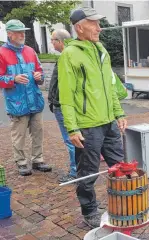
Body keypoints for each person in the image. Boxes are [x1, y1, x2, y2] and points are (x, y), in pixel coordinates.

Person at [58, 7, 127, 228]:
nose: (99, 28)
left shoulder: (102, 51)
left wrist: (119, 113)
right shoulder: (70, 54)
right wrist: (72, 128)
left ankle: (123, 203)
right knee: (87, 173)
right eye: (94, 23)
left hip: (109, 123)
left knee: (120, 167)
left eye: (99, 23)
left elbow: (110, 86)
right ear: (80, 27)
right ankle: (89, 211)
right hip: (87, 126)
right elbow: (66, 96)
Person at [0, 19, 52, 176]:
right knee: (19, 135)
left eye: (23, 31)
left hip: (35, 100)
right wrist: (12, 79)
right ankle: (21, 162)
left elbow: (40, 72)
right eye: (18, 32)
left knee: (38, 132)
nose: (23, 34)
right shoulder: (1, 53)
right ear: (9, 34)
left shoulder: (30, 51)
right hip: (17, 102)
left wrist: (39, 76)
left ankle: (38, 160)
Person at [48, 29, 76, 183]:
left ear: (60, 41)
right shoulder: (71, 55)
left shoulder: (66, 57)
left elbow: (62, 84)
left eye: (52, 39)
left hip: (62, 104)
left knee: (70, 139)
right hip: (62, 103)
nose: (51, 42)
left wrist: (54, 101)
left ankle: (75, 172)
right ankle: (78, 170)